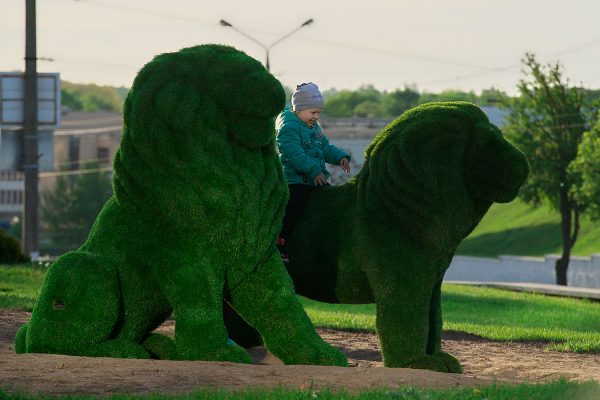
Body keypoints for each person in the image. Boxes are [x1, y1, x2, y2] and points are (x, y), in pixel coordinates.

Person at [275, 82, 351, 262]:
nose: (316, 117)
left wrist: (340, 156)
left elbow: (324, 147)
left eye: (318, 113)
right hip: (294, 180)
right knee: (295, 206)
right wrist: (314, 170)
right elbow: (293, 154)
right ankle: (278, 243)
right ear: (297, 110)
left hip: (313, 178)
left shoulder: (314, 128)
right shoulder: (288, 127)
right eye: (313, 112)